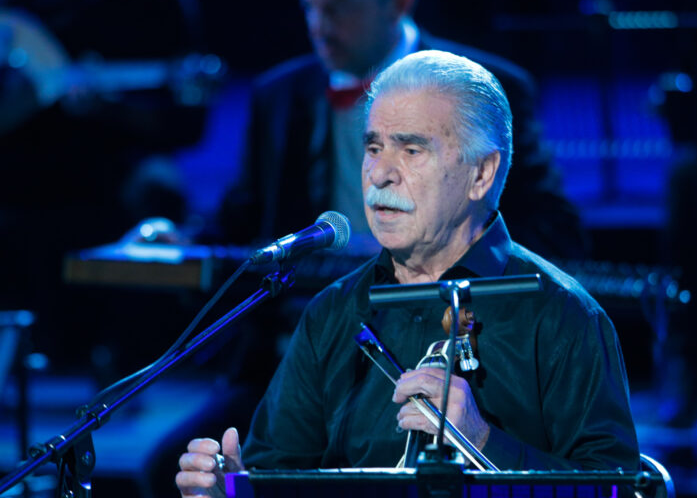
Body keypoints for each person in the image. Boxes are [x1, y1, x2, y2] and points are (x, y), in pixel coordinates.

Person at [176, 50, 639, 497]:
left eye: (412, 150)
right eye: (373, 147)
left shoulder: (562, 315)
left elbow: (614, 489)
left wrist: (482, 442)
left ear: (481, 173)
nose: (379, 174)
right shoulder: (333, 313)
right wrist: (233, 491)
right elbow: (276, 476)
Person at [218, 0, 587, 260]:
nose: (319, 26)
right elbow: (244, 219)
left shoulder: (487, 87)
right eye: (310, 8)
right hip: (310, 314)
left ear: (398, 2)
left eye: (338, 7)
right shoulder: (278, 95)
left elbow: (552, 229)